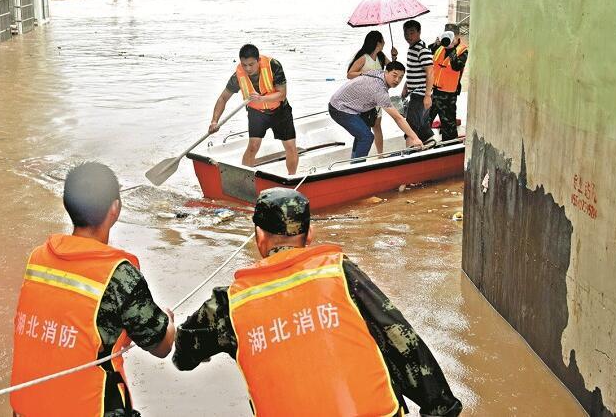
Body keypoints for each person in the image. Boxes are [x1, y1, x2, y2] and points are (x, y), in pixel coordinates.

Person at [173, 188, 463, 417]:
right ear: (309, 234)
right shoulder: (338, 272)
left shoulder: (228, 305)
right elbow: (397, 335)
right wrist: (441, 407)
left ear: (259, 236)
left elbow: (184, 352)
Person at [10, 162, 176, 417]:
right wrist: (169, 322)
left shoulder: (37, 258)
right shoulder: (120, 275)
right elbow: (162, 346)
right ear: (115, 209)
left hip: (26, 410)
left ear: (68, 206)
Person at [209, 44, 298, 175]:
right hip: (256, 113)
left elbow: (282, 94)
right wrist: (214, 121)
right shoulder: (237, 76)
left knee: (290, 146)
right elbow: (223, 98)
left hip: (280, 110)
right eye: (244, 65)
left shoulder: (273, 65)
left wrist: (261, 99)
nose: (248, 68)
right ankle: (244, 178)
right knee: (253, 147)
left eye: (251, 64)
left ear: (258, 60)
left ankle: (292, 179)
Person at [329, 61, 423, 159]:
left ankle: (355, 160)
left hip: (349, 104)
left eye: (401, 77)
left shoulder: (378, 72)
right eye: (394, 75)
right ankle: (356, 167)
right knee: (366, 137)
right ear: (386, 72)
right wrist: (414, 138)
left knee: (363, 132)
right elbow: (398, 118)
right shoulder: (379, 90)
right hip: (340, 108)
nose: (397, 80)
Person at [347, 30, 390, 153]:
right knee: (364, 128)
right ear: (378, 43)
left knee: (377, 126)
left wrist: (394, 57)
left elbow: (393, 67)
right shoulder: (363, 58)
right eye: (383, 40)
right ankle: (359, 155)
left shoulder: (381, 56)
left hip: (377, 97)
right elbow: (350, 74)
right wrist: (365, 73)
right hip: (363, 99)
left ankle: (380, 155)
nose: (384, 43)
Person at [399, 19, 436, 146]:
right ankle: (429, 145)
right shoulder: (412, 49)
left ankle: (409, 157)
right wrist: (406, 87)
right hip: (416, 93)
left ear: (419, 32)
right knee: (422, 126)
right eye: (406, 33)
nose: (408, 36)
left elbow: (430, 72)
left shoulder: (422, 50)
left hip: (420, 95)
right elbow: (412, 71)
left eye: (412, 33)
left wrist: (427, 96)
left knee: (409, 128)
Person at [427, 30, 468, 142]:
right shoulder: (440, 47)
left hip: (448, 94)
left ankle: (449, 147)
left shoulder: (462, 51)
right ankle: (424, 143)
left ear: (456, 37)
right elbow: (428, 51)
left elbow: (456, 66)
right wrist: (436, 44)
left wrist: (452, 50)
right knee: (426, 119)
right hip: (434, 91)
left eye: (450, 37)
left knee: (448, 124)